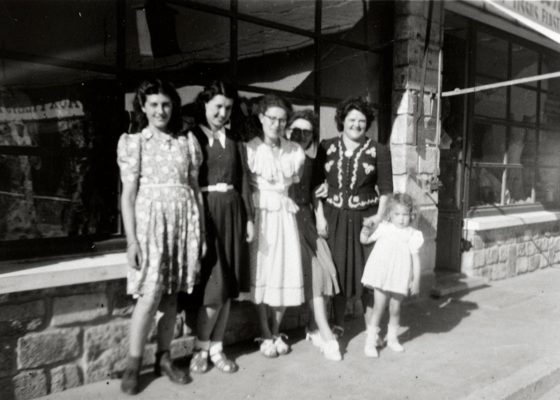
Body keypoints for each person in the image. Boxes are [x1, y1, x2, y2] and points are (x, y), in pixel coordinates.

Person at [117, 79, 203, 394]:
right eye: (153, 104)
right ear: (143, 107)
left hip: (182, 227)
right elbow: (127, 196)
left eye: (165, 104)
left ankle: (164, 358)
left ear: (173, 107)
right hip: (149, 228)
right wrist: (131, 241)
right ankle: (133, 362)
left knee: (172, 296)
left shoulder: (186, 142)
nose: (160, 110)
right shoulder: (134, 142)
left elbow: (195, 192)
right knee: (149, 296)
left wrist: (201, 233)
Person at [185, 81, 254, 374]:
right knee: (214, 287)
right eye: (217, 107)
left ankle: (217, 348)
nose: (222, 112)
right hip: (207, 213)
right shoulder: (193, 136)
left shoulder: (235, 139)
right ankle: (200, 349)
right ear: (205, 105)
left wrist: (250, 218)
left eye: (227, 108)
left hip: (234, 212)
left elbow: (245, 182)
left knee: (227, 289)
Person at [316, 97, 393, 338]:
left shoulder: (379, 150)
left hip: (365, 222)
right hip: (333, 218)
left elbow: (387, 190)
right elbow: (315, 186)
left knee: (370, 276)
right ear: (342, 121)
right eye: (351, 120)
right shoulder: (326, 146)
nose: (356, 125)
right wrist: (320, 217)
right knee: (337, 272)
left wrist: (379, 218)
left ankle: (373, 330)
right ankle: (338, 324)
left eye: (361, 120)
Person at [245, 94, 305, 358]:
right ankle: (264, 332)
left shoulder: (295, 151)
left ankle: (276, 328)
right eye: (272, 118)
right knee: (264, 271)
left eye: (282, 120)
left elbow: (295, 180)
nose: (277, 124)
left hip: (283, 213)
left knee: (285, 270)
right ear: (261, 118)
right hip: (261, 214)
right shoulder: (250, 149)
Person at [285, 110, 342, 361]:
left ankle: (312, 327)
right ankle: (326, 334)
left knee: (325, 270)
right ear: (287, 131)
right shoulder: (276, 158)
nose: (300, 136)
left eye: (306, 132)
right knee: (315, 276)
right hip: (285, 223)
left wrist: (320, 216)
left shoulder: (311, 163)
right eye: (295, 131)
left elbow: (315, 194)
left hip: (306, 220)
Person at [360, 192, 423, 357]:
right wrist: (366, 229)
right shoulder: (384, 228)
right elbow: (365, 241)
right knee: (379, 307)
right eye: (397, 214)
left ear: (411, 215)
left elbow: (415, 259)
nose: (401, 219)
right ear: (390, 214)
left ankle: (393, 338)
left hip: (400, 275)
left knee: (395, 308)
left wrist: (416, 280)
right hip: (383, 274)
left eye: (405, 215)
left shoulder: (412, 234)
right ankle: (370, 342)